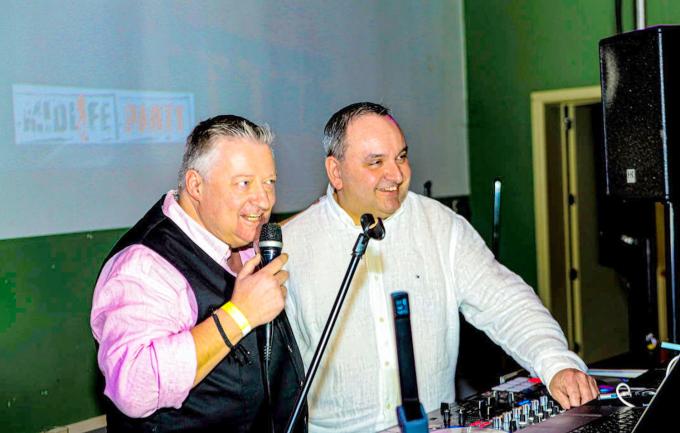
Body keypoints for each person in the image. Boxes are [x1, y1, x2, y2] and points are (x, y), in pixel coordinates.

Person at [282, 102, 599, 433]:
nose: (397, 174)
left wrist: (556, 362)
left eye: (401, 157)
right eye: (376, 162)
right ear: (336, 172)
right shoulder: (293, 245)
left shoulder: (442, 226)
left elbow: (505, 302)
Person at [91, 115, 306, 433]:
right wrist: (240, 315)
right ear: (195, 186)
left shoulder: (240, 239)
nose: (263, 200)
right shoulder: (144, 266)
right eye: (244, 183)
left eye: (269, 182)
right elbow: (134, 388)